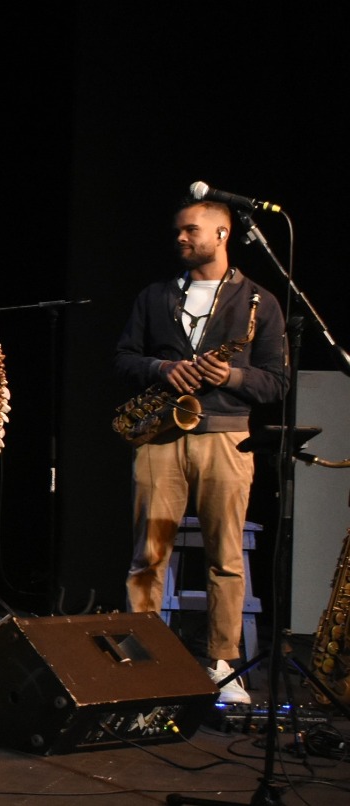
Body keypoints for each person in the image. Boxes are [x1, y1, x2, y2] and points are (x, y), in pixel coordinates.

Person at [114, 197, 287, 704]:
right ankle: (140, 660)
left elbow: (278, 381)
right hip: (159, 434)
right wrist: (162, 370)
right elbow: (124, 357)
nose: (181, 239)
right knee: (147, 555)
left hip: (227, 436)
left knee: (225, 557)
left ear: (223, 234)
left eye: (191, 230)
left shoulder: (260, 302)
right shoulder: (155, 296)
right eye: (178, 232)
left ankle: (222, 663)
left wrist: (229, 375)